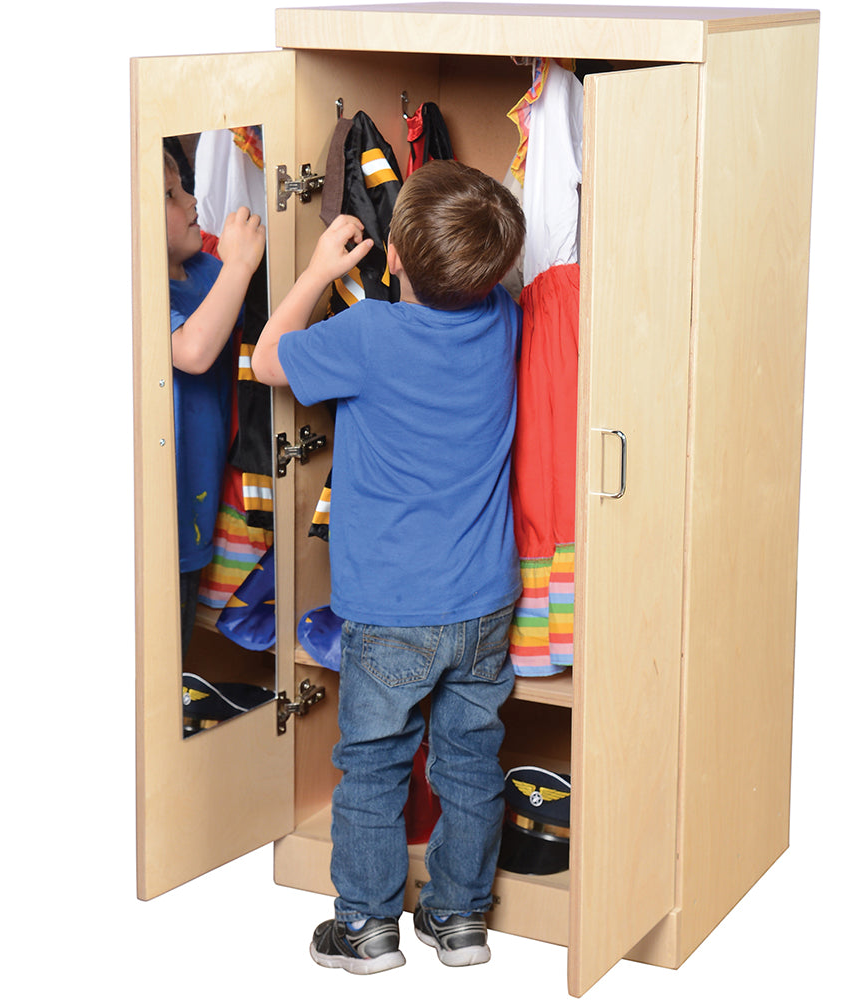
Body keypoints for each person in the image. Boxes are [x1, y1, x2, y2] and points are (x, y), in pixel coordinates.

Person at [252, 159, 526, 975]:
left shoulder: (368, 333)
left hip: (391, 609)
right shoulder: (504, 318)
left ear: (393, 256)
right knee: (471, 762)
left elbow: (270, 360)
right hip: (485, 604)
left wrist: (315, 272)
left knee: (373, 763)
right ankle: (460, 921)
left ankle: (368, 930)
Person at [164, 148, 265, 655]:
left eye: (182, 186)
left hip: (194, 509)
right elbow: (194, 351)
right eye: (170, 195)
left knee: (174, 654)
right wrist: (240, 263)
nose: (191, 202)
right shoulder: (140, 288)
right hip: (156, 521)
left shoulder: (205, 270)